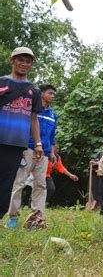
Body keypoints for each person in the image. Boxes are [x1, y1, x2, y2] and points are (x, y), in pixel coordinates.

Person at [5, 84, 59, 228]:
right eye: (50, 93)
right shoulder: (30, 110)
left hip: (45, 153)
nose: (53, 96)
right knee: (19, 183)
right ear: (41, 94)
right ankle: (13, 217)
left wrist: (52, 152)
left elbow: (52, 136)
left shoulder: (53, 115)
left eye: (54, 94)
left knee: (41, 185)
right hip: (28, 149)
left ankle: (37, 218)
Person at [0, 47, 43, 221]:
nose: (24, 64)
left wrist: (38, 143)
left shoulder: (34, 91)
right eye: (20, 59)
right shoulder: (2, 82)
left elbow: (34, 119)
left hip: (17, 144)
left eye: (28, 61)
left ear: (31, 64)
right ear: (12, 60)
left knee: (6, 184)